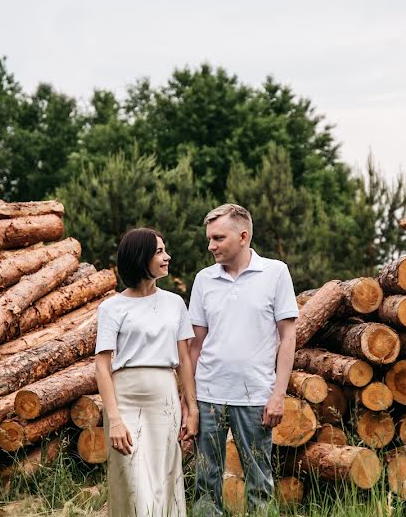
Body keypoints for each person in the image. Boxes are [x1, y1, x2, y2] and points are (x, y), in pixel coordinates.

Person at [188, 204, 299, 516]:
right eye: (209, 239)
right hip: (208, 394)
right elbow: (195, 345)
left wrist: (278, 395)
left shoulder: (276, 273)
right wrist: (189, 402)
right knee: (205, 482)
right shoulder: (203, 279)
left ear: (243, 236)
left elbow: (288, 338)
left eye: (218, 238)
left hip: (255, 396)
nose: (211, 246)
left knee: (258, 482)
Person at [94, 228, 198, 517]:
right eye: (159, 252)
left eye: (165, 250)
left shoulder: (175, 303)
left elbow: (184, 360)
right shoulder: (112, 308)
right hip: (125, 400)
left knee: (164, 480)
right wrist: (113, 419)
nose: (168, 257)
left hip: (165, 400)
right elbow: (102, 365)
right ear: (141, 258)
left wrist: (192, 408)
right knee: (134, 483)